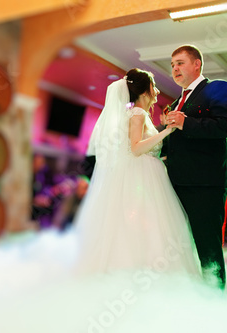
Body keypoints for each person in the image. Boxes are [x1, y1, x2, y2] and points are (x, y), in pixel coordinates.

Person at [74, 68, 200, 276]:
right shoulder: (138, 113)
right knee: (148, 223)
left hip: (139, 173)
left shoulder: (134, 113)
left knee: (133, 223)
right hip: (142, 175)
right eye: (153, 86)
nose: (157, 91)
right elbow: (136, 148)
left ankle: (128, 267)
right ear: (145, 91)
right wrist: (168, 131)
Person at [164, 44, 227, 289]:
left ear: (197, 64)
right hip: (175, 183)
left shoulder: (217, 88)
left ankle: (216, 296)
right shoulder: (176, 102)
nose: (175, 68)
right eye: (172, 64)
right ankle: (192, 293)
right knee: (179, 241)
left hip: (205, 184)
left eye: (180, 62)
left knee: (207, 243)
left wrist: (187, 123)